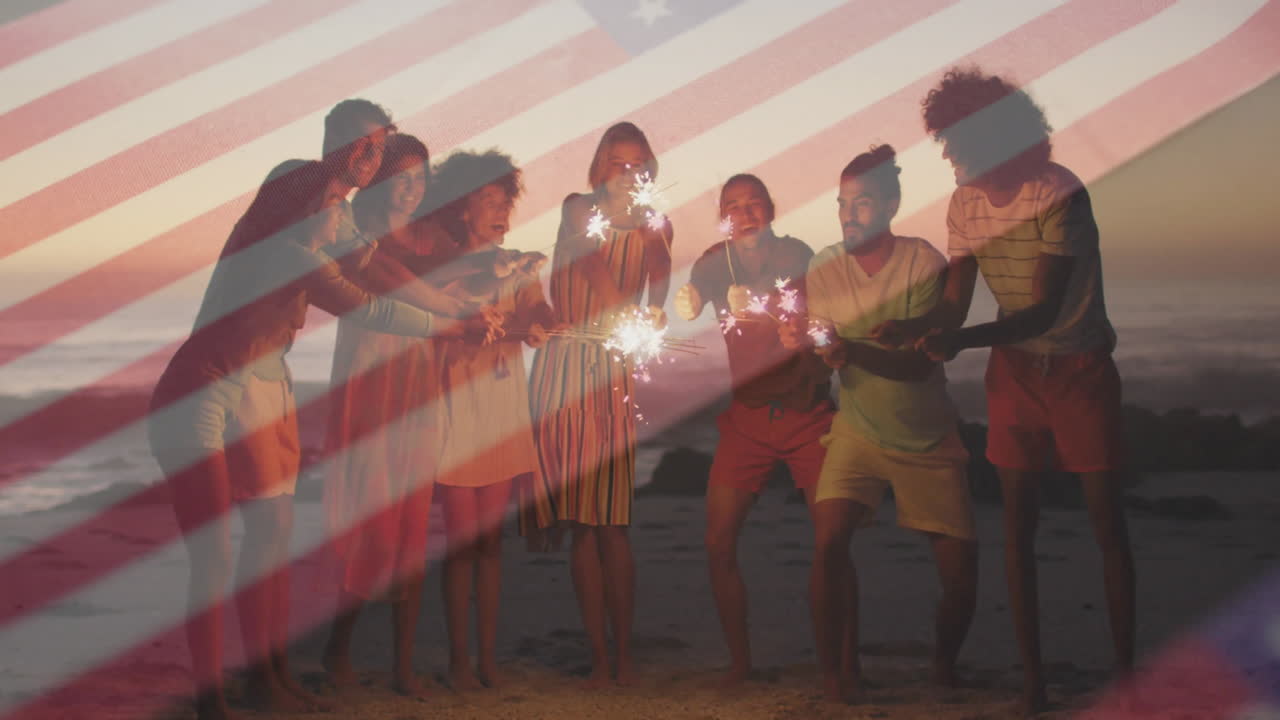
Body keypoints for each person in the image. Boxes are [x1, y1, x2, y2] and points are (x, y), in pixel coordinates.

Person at [147, 145, 491, 718]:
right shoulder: (287, 253)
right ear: (305, 208)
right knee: (211, 559)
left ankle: (258, 683)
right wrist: (451, 327)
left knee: (254, 547)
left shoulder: (303, 251)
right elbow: (370, 310)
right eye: (334, 202)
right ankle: (210, 702)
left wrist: (456, 317)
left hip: (235, 400)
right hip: (193, 406)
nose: (343, 213)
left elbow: (377, 278)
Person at [875, 67, 1135, 715]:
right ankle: (1032, 684)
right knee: (1017, 529)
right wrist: (915, 324)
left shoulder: (1059, 193)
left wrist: (961, 342)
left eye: (961, 141)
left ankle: (1129, 677)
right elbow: (956, 306)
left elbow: (1043, 313)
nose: (953, 156)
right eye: (947, 143)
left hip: (1078, 368)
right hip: (1014, 371)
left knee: (1106, 523)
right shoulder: (964, 204)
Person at [784, 145, 977, 703]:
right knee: (829, 542)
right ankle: (835, 679)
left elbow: (918, 363)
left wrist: (850, 353)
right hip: (857, 429)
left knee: (961, 571)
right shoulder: (824, 265)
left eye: (862, 202)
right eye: (843, 202)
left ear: (891, 203)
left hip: (925, 432)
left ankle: (943, 668)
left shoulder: (921, 262)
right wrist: (801, 349)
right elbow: (823, 347)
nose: (848, 213)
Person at [672, 174, 847, 687]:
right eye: (733, 205)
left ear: (771, 208)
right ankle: (740, 665)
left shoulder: (797, 255)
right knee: (717, 542)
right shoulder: (713, 260)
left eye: (753, 203)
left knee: (831, 542)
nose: (745, 212)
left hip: (805, 412)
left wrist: (782, 316)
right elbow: (694, 295)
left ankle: (835, 668)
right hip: (746, 420)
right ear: (723, 217)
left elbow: (813, 318)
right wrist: (687, 299)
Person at [525, 122, 673, 686]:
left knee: (612, 520)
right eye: (616, 161)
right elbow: (589, 263)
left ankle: (627, 655)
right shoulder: (577, 207)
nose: (626, 172)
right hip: (565, 369)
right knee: (582, 523)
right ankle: (600, 656)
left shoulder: (657, 224)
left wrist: (654, 311)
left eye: (637, 163)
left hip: (612, 371)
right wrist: (620, 309)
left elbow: (658, 280)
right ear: (599, 166)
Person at [321, 133, 468, 699]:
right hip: (369, 380)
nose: (411, 189)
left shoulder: (435, 237)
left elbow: (466, 284)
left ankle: (402, 666)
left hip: (419, 383)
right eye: (400, 178)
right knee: (370, 524)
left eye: (419, 178)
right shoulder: (355, 237)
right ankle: (338, 649)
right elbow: (399, 298)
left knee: (411, 523)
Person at [429, 150, 553, 691]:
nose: (501, 209)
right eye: (488, 200)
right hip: (458, 405)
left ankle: (487, 658)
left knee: (491, 545)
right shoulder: (442, 270)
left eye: (506, 200)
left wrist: (541, 324)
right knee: (461, 544)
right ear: (461, 207)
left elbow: (537, 311)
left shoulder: (521, 264)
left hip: (504, 409)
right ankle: (458, 660)